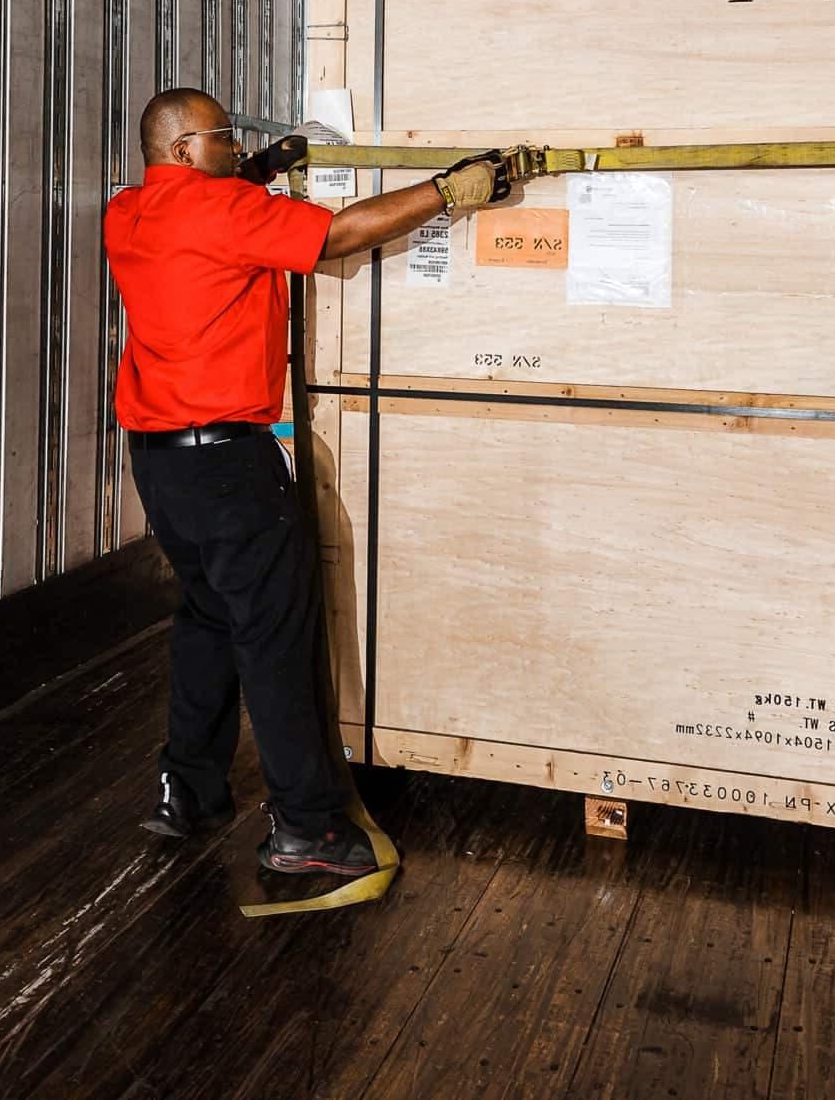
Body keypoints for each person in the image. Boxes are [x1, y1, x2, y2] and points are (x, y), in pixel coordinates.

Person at [102, 87, 525, 877]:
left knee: (206, 618)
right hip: (230, 465)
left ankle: (185, 791)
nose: (235, 148)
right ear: (188, 149)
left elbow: (211, 205)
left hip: (159, 464)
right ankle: (307, 829)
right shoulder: (228, 216)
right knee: (274, 639)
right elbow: (341, 234)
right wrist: (451, 189)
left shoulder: (126, 212)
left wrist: (259, 167)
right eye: (225, 139)